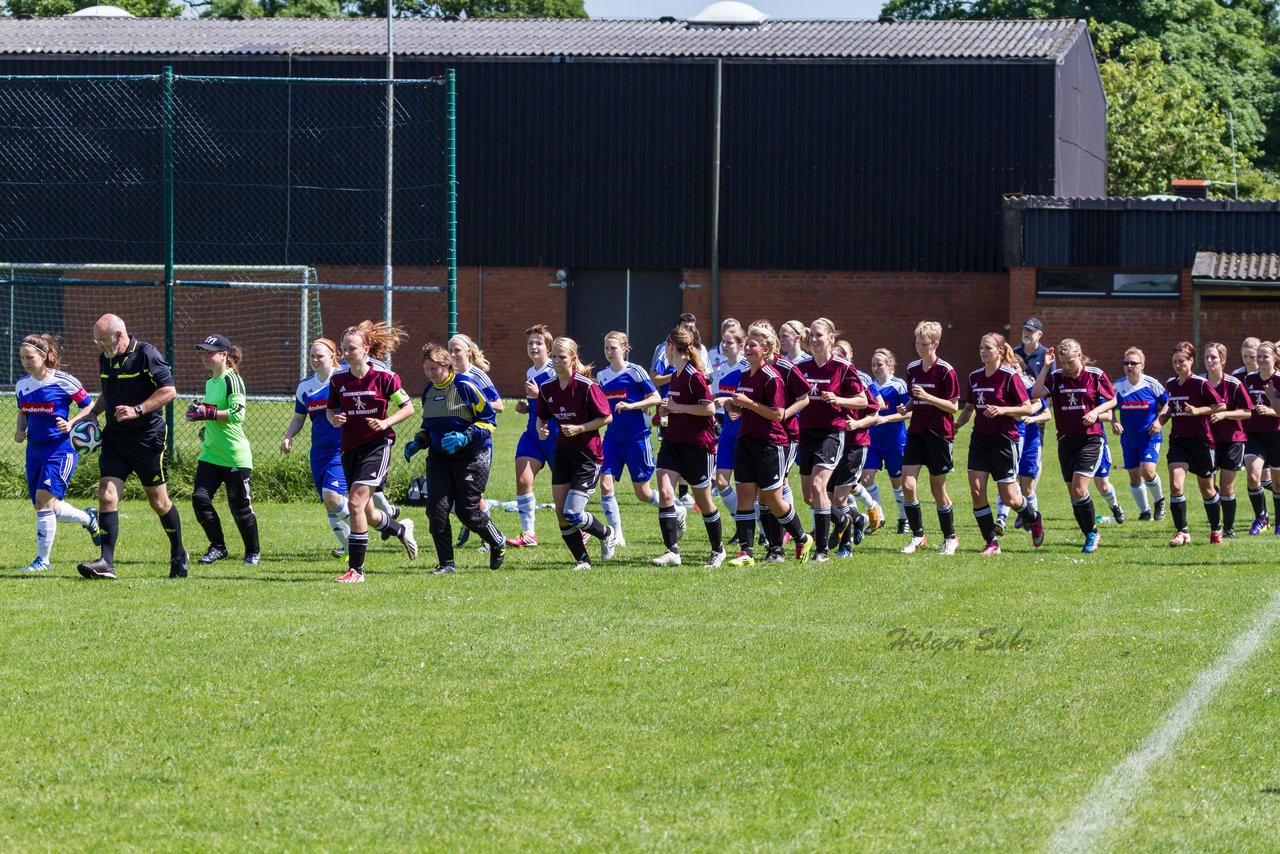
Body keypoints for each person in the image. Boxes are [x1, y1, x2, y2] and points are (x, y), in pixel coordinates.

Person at [76, 314, 187, 580]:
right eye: (97, 340)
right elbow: (108, 392)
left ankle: (179, 552)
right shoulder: (106, 357)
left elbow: (169, 391)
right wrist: (93, 413)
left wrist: (138, 409)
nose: (99, 345)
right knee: (106, 495)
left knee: (158, 501)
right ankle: (106, 562)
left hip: (147, 439)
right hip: (115, 438)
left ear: (118, 335)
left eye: (102, 339)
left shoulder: (146, 354)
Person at [326, 320, 418, 583]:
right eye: (343, 349)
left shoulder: (384, 377)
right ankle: (400, 529)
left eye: (351, 348)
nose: (346, 354)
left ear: (365, 348)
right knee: (364, 511)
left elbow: (408, 407)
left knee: (354, 502)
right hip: (349, 447)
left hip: (377, 446)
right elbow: (332, 410)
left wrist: (386, 422)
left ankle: (357, 570)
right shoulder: (338, 380)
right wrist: (334, 419)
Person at [403, 344, 508, 574]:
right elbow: (429, 427)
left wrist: (465, 436)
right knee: (436, 511)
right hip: (439, 459)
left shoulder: (465, 386)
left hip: (471, 456)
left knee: (467, 512)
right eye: (426, 369)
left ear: (446, 365)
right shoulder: (429, 391)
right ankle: (447, 564)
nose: (430, 373)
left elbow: (489, 421)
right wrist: (418, 442)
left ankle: (497, 540)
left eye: (434, 368)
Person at [724, 322, 815, 566]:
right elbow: (748, 408)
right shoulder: (745, 374)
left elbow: (777, 413)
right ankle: (746, 554)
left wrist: (749, 404)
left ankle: (801, 537)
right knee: (745, 495)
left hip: (770, 443)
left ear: (766, 349)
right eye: (746, 344)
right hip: (745, 441)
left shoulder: (773, 376)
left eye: (752, 345)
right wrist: (734, 407)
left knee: (772, 499)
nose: (747, 349)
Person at [13, 334, 100, 572]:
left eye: (29, 357)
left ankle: (43, 561)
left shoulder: (64, 381)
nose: (25, 362)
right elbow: (23, 412)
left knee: (43, 504)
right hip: (34, 452)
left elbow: (90, 406)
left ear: (43, 356)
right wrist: (20, 431)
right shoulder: (23, 385)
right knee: (46, 506)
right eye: (22, 357)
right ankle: (89, 519)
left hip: (61, 450)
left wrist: (71, 423)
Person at [954, 333, 1044, 554]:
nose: (983, 351)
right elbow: (968, 409)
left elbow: (1026, 407)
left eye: (988, 348)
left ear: (1000, 352)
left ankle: (1033, 518)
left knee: (1010, 498)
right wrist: (956, 426)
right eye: (981, 347)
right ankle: (991, 542)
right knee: (976, 491)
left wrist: (1003, 409)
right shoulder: (975, 376)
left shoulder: (1009, 376)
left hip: (1005, 441)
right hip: (980, 440)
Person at [536, 337, 616, 571]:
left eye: (562, 357)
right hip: (563, 453)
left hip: (587, 456)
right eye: (553, 357)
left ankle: (606, 533)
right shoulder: (547, 387)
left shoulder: (586, 386)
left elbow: (607, 417)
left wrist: (580, 428)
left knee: (573, 513)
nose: (557, 361)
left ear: (572, 358)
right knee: (562, 515)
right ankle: (583, 560)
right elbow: (542, 415)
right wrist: (540, 427)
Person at [1031, 338, 1117, 554]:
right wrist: (1047, 366)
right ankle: (1090, 531)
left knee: (1080, 489)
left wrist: (1096, 411)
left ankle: (1092, 534)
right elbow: (1036, 393)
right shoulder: (1056, 377)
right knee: (1073, 493)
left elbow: (1113, 400)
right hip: (1066, 440)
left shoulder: (1095, 375)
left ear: (1079, 356)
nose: (1067, 367)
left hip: (1091, 439)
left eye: (1070, 361)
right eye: (1063, 362)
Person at [651, 325, 726, 567]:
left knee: (703, 502)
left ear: (672, 346)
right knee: (664, 492)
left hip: (698, 446)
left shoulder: (695, 375)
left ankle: (718, 549)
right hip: (673, 441)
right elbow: (677, 405)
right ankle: (672, 551)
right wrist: (666, 407)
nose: (665, 351)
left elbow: (709, 408)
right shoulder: (676, 374)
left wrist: (677, 407)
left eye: (666, 346)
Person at [795, 319, 867, 562]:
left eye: (819, 335)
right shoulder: (802, 366)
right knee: (809, 496)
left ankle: (822, 551)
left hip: (831, 433)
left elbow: (862, 401)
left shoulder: (843, 367)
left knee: (819, 485)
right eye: (811, 336)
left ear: (831, 339)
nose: (814, 340)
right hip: (805, 433)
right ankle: (845, 518)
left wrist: (838, 400)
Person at [186, 333, 260, 566]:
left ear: (224, 355)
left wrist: (207, 413)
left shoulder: (232, 379)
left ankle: (252, 552)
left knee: (240, 508)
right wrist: (200, 418)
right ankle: (217, 546)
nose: (205, 356)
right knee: (200, 499)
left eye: (210, 352)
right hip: (210, 455)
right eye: (203, 352)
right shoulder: (211, 382)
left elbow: (237, 415)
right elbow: (214, 415)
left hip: (234, 456)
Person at [281, 338, 351, 558]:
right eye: (312, 355)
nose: (314, 359)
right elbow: (299, 418)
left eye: (320, 355)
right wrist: (288, 436)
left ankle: (384, 525)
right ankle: (352, 547)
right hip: (318, 453)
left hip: (343, 450)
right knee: (329, 504)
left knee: (332, 497)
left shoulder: (343, 381)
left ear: (333, 356)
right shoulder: (306, 386)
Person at [898, 321, 961, 555]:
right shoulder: (913, 368)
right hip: (916, 432)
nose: (919, 348)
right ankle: (917, 536)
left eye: (924, 344)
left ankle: (950, 537)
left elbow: (953, 407)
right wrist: (907, 406)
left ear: (936, 344)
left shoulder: (946, 370)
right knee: (907, 484)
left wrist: (928, 396)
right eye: (917, 342)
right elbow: (915, 398)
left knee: (937, 490)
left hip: (939, 435)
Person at [597, 331, 662, 549]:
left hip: (636, 438)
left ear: (624, 349)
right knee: (605, 484)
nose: (609, 351)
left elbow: (656, 398)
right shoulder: (602, 376)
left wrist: (631, 406)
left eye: (613, 347)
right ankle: (617, 535)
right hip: (612, 440)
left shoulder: (635, 372)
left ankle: (674, 508)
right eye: (606, 347)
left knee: (643, 494)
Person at [1161, 341, 1227, 546]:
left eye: (1182, 361)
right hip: (1179, 441)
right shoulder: (1171, 384)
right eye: (1174, 362)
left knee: (1207, 489)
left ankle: (1216, 529)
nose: (1178, 365)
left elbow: (1220, 405)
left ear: (1191, 361)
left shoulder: (1200, 383)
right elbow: (1170, 407)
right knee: (1175, 484)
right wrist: (1159, 421)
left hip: (1201, 442)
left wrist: (1198, 411)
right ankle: (1182, 532)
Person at [447, 333, 501, 547]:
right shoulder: (448, 375)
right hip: (454, 441)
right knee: (451, 493)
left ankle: (489, 538)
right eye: (450, 350)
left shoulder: (476, 375)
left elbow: (498, 404)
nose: (452, 354)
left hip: (477, 442)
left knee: (472, 494)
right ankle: (470, 521)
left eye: (457, 350)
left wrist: (474, 403)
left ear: (468, 351)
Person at [508, 324, 558, 548]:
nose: (534, 346)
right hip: (533, 435)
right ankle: (529, 534)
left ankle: (581, 527)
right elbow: (539, 405)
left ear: (548, 347)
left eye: (539, 343)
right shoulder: (531, 371)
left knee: (565, 491)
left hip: (556, 435)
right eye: (530, 343)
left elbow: (565, 406)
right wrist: (527, 407)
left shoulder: (557, 370)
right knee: (522, 480)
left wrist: (540, 396)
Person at [827, 339, 877, 557]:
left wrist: (857, 424)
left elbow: (875, 413)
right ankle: (858, 518)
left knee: (839, 498)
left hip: (855, 445)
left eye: (842, 355)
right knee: (826, 496)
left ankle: (845, 546)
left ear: (849, 357)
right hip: (832, 443)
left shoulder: (862, 382)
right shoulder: (830, 381)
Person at [1111, 347, 1169, 521]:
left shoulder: (1152, 384)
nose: (1129, 366)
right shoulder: (1118, 386)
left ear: (1142, 365)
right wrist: (1114, 421)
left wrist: (1159, 421)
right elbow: (1108, 406)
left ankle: (1159, 502)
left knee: (1148, 470)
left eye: (1133, 363)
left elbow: (1168, 404)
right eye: (1126, 363)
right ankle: (1145, 511)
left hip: (1149, 436)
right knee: (1134, 475)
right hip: (1128, 437)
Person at [1205, 341, 1253, 537]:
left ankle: (1229, 529)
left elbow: (1247, 412)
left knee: (1227, 486)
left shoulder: (1233, 384)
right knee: (1209, 487)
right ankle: (1215, 526)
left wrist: (1225, 414)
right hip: (1207, 441)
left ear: (1223, 360)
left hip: (1233, 440)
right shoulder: (1201, 382)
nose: (1209, 361)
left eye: (1214, 357)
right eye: (1206, 357)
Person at [862, 348, 910, 534]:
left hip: (894, 441)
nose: (875, 368)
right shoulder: (871, 386)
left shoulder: (899, 385)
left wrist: (888, 418)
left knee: (897, 483)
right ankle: (879, 516)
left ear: (890, 365)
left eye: (879, 364)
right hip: (873, 440)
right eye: (873, 365)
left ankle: (903, 518)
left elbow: (910, 412)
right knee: (866, 478)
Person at [711, 325, 749, 532]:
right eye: (723, 342)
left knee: (750, 488)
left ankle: (763, 531)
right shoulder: (721, 368)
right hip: (728, 430)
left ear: (741, 346)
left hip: (746, 431)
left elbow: (751, 400)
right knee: (721, 481)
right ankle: (741, 525)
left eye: (729, 342)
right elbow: (717, 397)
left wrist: (728, 401)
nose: (724, 345)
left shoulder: (747, 368)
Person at [1243, 340, 1280, 535]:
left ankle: (1279, 522)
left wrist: (1271, 410)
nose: (1260, 359)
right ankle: (1262, 517)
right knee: (1253, 474)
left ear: (1275, 358)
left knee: (1277, 482)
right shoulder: (1250, 379)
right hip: (1254, 433)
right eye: (1259, 356)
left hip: (1276, 434)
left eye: (1265, 356)